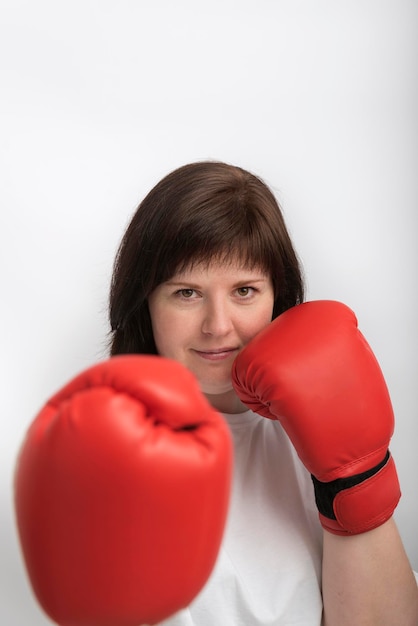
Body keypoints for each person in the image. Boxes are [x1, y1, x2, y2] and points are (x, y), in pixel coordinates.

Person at [14, 161, 418, 626]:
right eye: (187, 293)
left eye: (244, 290)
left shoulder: (317, 428)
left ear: (277, 295)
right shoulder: (100, 442)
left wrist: (353, 480)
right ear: (145, 303)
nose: (218, 326)